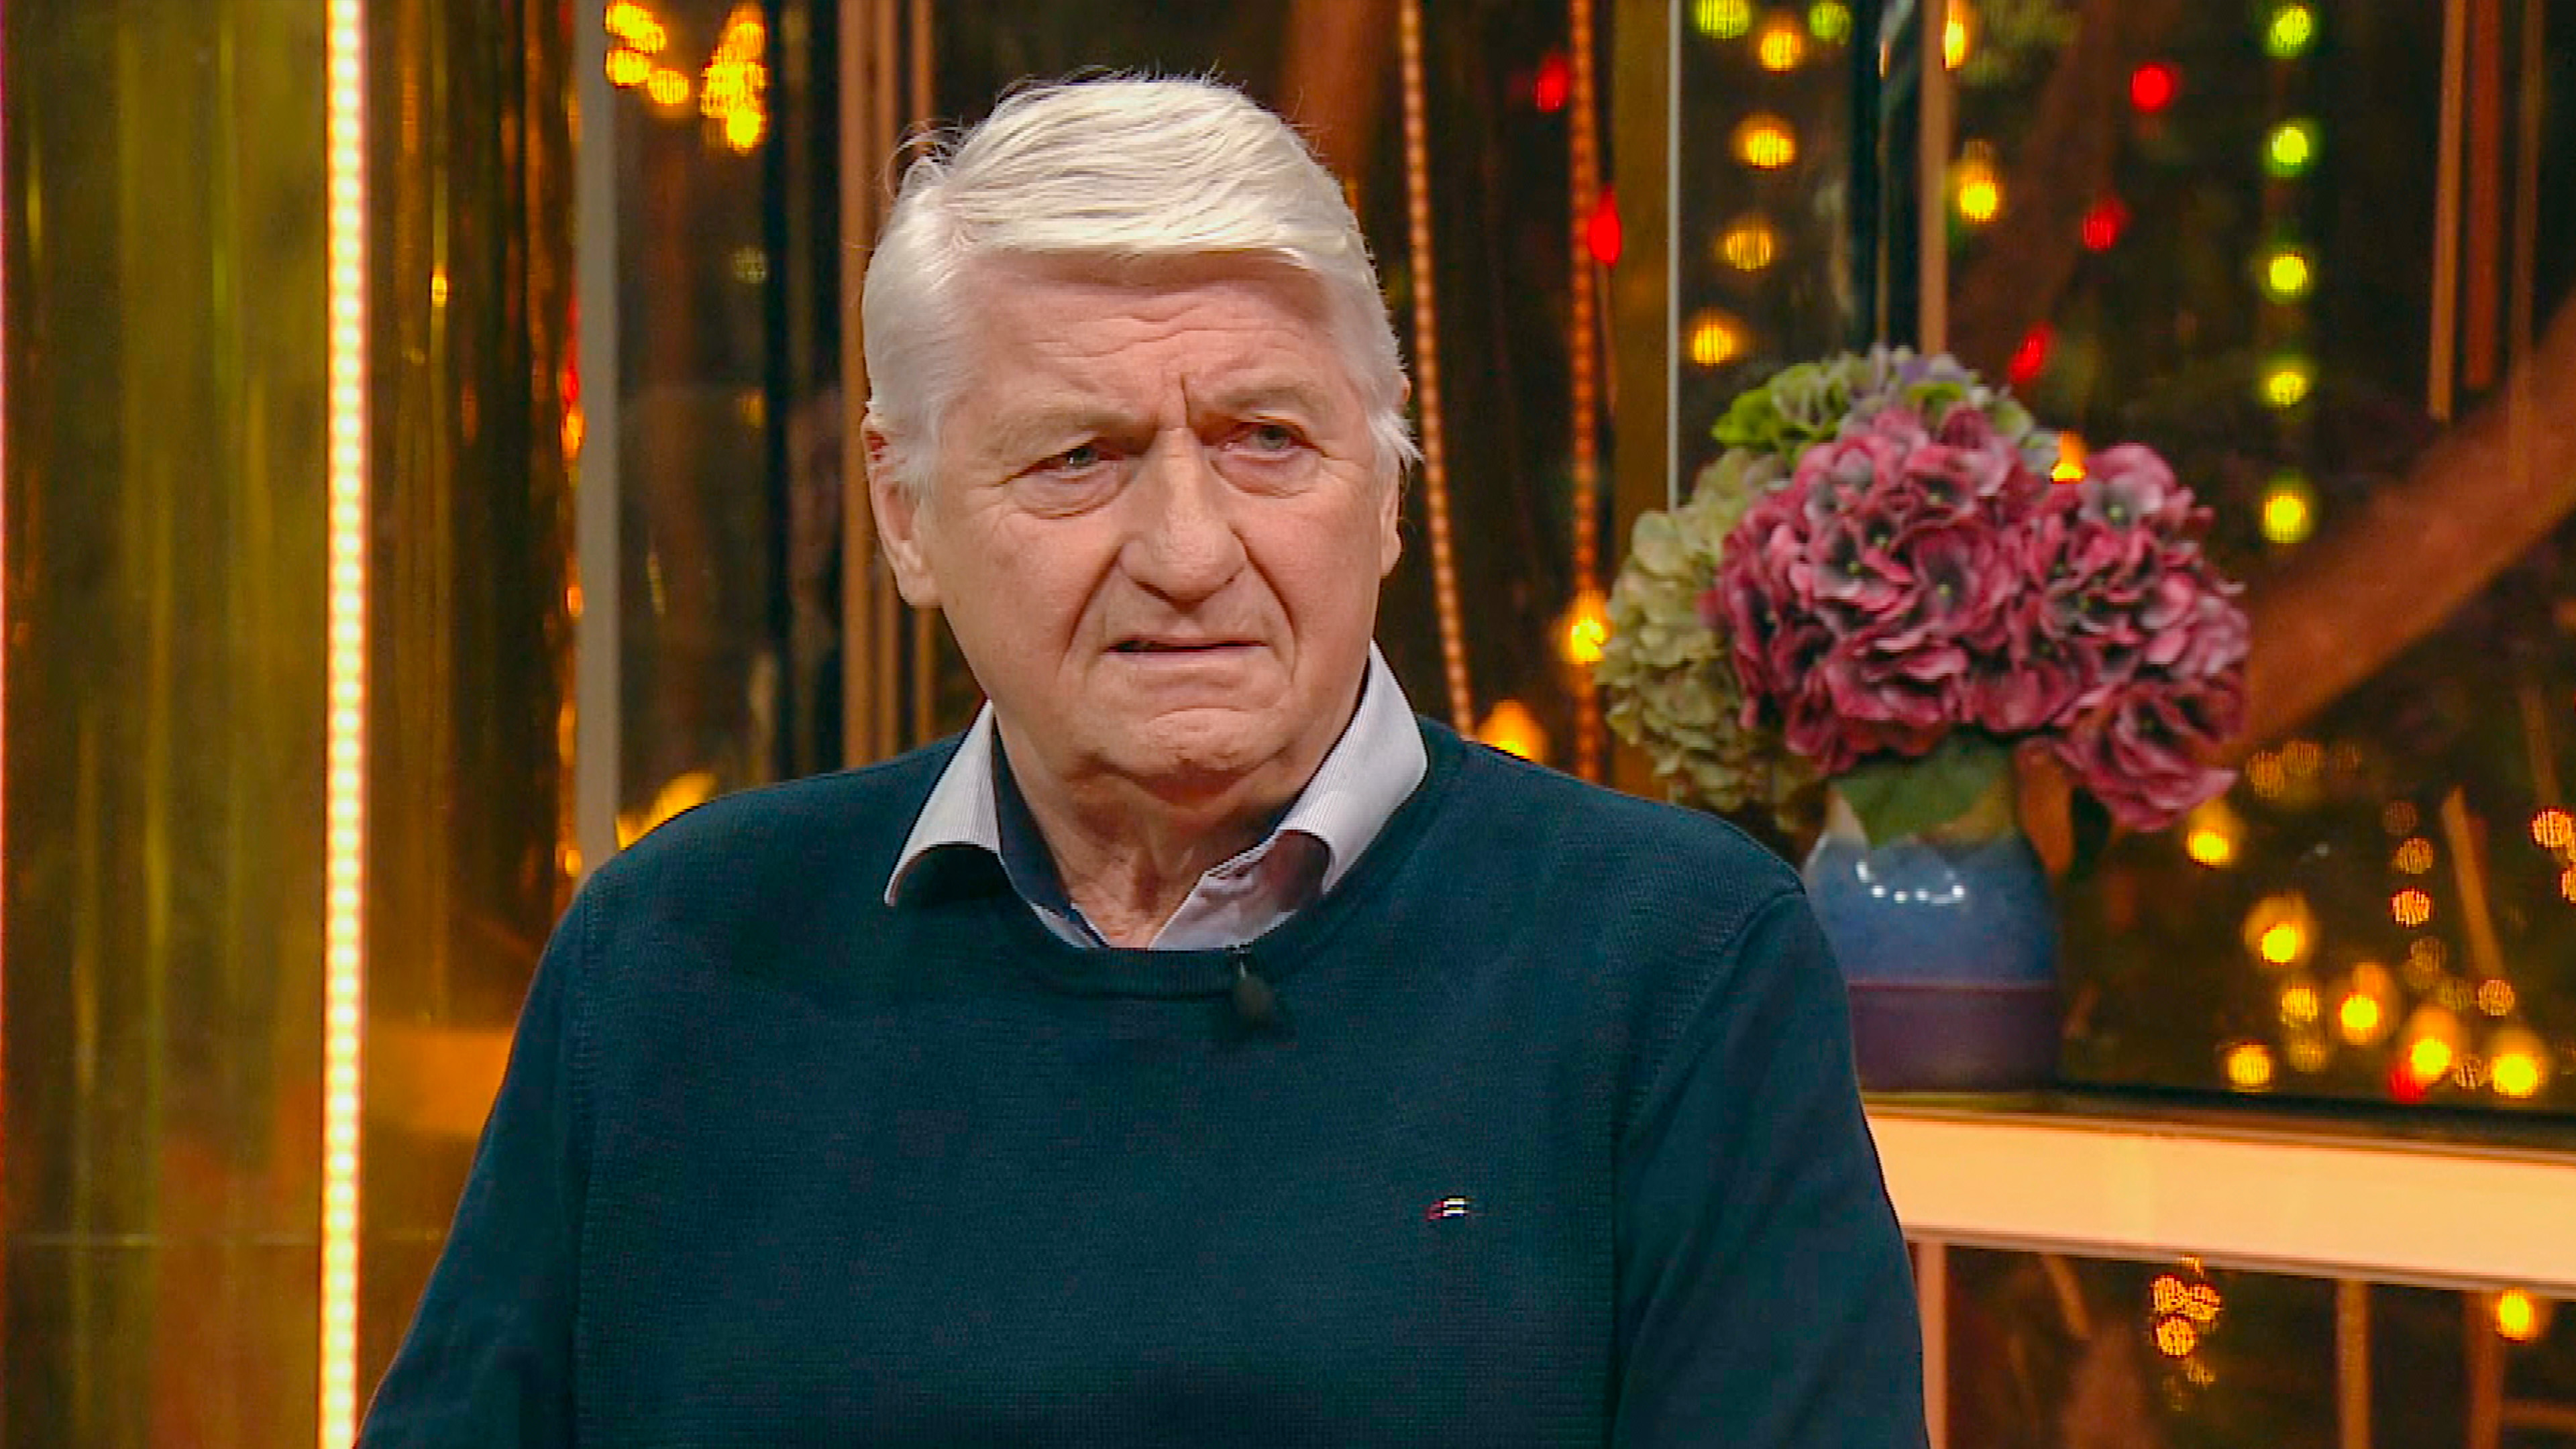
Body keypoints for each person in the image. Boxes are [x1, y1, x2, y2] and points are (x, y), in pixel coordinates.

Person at [360, 76, 1926, 1447]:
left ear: (1386, 490)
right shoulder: (673, 952)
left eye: (1269, 441)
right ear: (905, 515)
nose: (1187, 552)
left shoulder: (1675, 967)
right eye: (1080, 457)